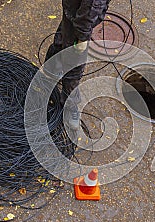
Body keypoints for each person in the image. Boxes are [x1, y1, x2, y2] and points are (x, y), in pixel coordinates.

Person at [44, 0, 111, 130]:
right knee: (74, 66)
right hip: (81, 18)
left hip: (72, 8)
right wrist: (82, 37)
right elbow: (91, 7)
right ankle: (69, 106)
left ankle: (50, 69)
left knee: (65, 32)